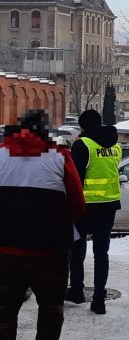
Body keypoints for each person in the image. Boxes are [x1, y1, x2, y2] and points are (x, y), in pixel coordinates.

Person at [0, 109, 85, 340]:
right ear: (45, 131)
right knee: (51, 307)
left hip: (7, 249)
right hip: (48, 251)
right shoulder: (58, 155)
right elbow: (77, 202)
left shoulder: (0, 153)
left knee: (5, 310)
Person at [66, 109, 122, 314]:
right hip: (109, 205)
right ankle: (99, 300)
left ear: (83, 126)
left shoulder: (83, 145)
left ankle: (77, 291)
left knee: (76, 249)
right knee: (101, 253)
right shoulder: (115, 146)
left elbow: (74, 180)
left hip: (85, 206)